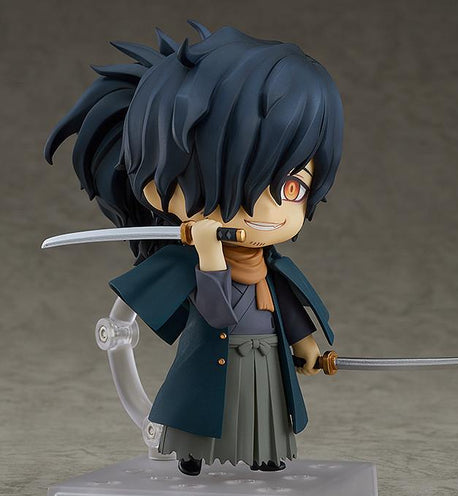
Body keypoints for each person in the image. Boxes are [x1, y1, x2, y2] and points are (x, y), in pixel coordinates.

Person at [45, 20, 344, 476]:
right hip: (213, 356)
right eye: (231, 180)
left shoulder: (267, 264)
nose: (266, 211)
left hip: (263, 356)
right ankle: (190, 452)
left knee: (262, 408)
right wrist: (208, 254)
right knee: (201, 406)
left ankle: (264, 451)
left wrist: (304, 344)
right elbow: (216, 313)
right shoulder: (194, 257)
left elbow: (285, 304)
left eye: (291, 186)